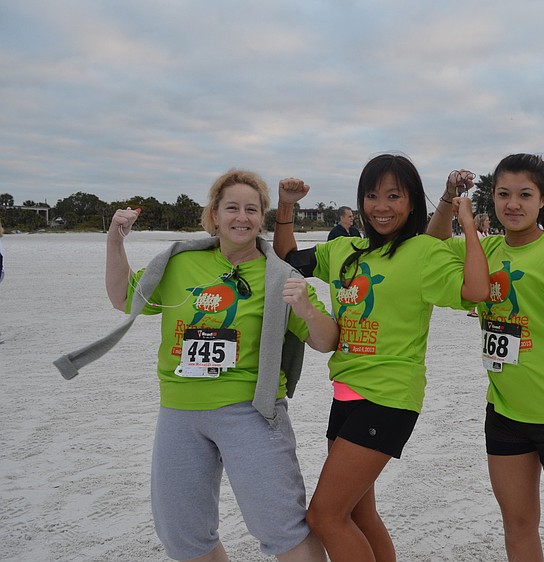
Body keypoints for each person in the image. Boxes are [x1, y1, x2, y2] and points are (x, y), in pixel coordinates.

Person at [55, 169, 337, 562]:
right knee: (183, 534)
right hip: (179, 412)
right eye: (232, 208)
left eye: (252, 209)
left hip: (250, 412)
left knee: (281, 528)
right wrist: (114, 239)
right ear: (215, 215)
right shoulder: (180, 263)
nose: (242, 217)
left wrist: (306, 308)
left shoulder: (280, 275)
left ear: (262, 218)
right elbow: (123, 296)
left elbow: (326, 341)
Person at [272, 153, 489, 561]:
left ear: (411, 203)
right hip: (347, 393)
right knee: (358, 511)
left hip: (389, 396)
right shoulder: (343, 249)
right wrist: (286, 205)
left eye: (394, 195)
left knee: (325, 515)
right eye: (372, 196)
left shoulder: (424, 252)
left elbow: (475, 291)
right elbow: (286, 258)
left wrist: (469, 226)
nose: (381, 206)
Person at [427, 153, 544, 562]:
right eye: (503, 194)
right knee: (517, 528)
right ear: (492, 199)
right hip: (505, 413)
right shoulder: (485, 248)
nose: (513, 204)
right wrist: (447, 197)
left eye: (524, 194)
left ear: (542, 198)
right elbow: (433, 247)